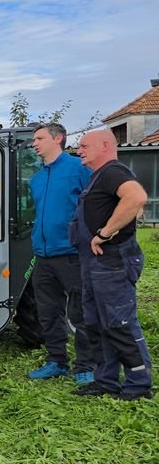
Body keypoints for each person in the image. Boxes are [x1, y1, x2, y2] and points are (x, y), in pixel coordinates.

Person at [70, 130, 152, 400]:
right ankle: (105, 381)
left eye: (84, 145)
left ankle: (138, 386)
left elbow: (136, 197)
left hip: (112, 262)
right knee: (96, 322)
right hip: (94, 263)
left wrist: (105, 232)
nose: (79, 149)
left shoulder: (112, 172)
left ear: (105, 146)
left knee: (120, 323)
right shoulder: (98, 177)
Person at [26, 123, 96, 385]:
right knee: (47, 311)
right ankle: (56, 361)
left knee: (79, 313)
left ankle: (86, 366)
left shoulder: (79, 169)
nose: (34, 143)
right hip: (42, 256)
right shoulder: (37, 178)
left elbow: (97, 203)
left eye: (39, 138)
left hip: (72, 254)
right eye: (34, 139)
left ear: (58, 139)